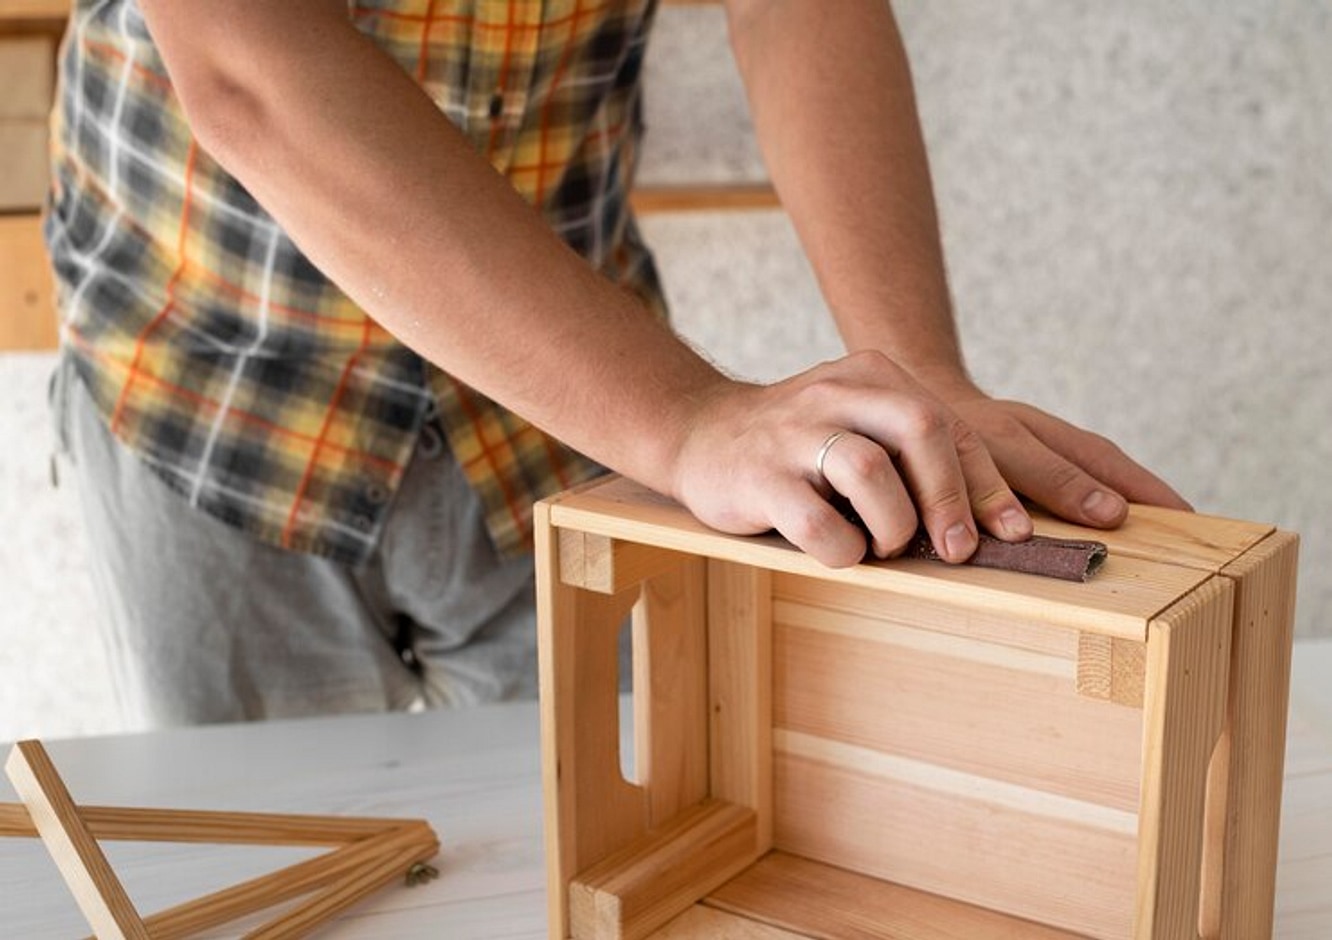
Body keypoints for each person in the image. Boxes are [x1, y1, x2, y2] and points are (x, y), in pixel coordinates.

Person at [45, 0, 1189, 728]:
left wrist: (919, 376)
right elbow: (246, 63)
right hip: (206, 375)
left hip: (563, 417)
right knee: (268, 873)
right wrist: (687, 421)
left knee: (611, 850)